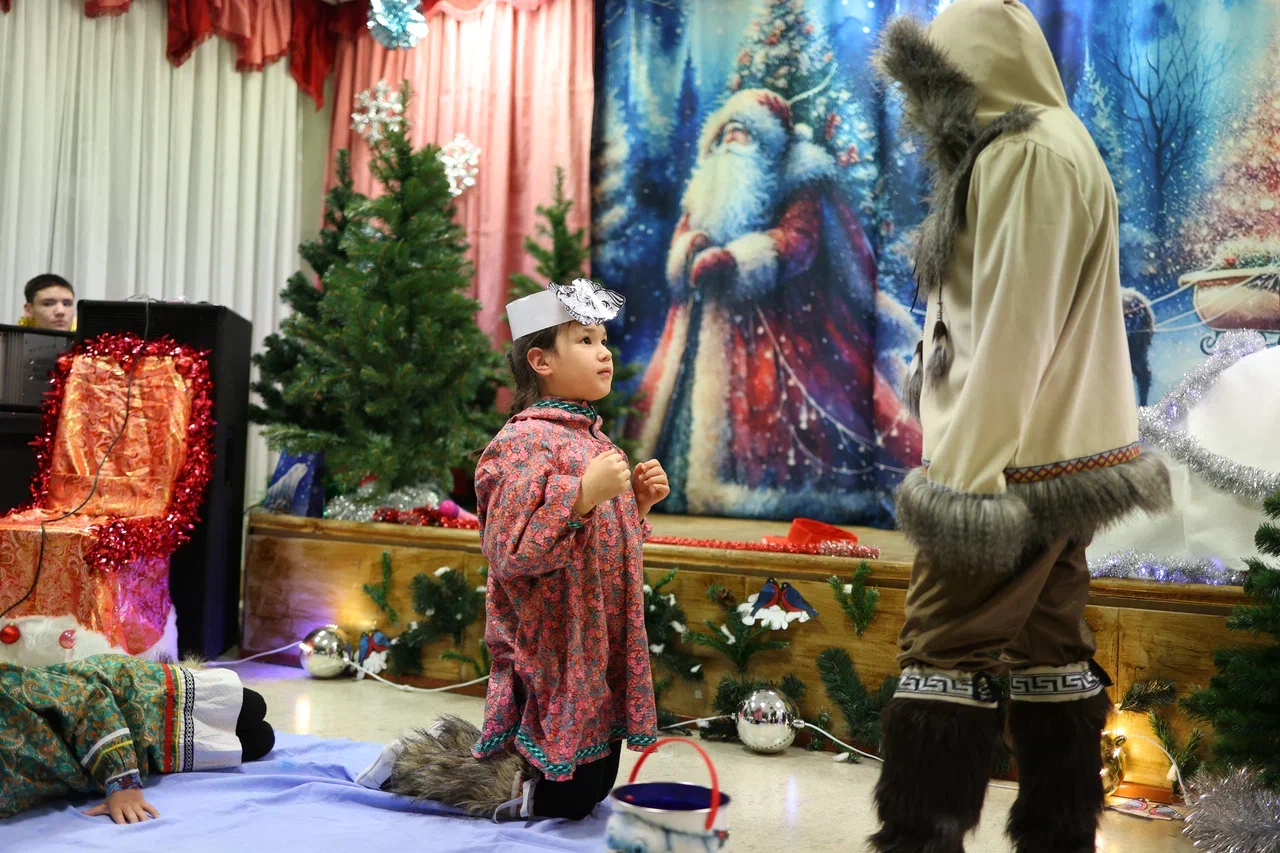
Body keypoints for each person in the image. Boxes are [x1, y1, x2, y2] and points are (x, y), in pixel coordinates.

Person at [871, 3, 1172, 852]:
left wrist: (967, 482)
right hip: (1062, 458)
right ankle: (1057, 830)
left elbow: (1013, 329)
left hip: (1010, 466)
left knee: (944, 647)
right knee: (1049, 652)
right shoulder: (1054, 144)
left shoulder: (1024, 156)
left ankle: (922, 837)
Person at [356, 279, 667, 821]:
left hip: (596, 644)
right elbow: (511, 553)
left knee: (596, 788)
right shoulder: (521, 444)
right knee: (566, 798)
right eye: (586, 340)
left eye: (603, 340)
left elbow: (604, 547)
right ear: (541, 361)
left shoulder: (597, 442)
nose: (605, 352)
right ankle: (417, 764)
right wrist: (580, 496)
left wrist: (635, 507)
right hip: (553, 650)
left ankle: (473, 762)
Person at [629, 86, 922, 524]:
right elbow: (683, 235)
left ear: (767, 142)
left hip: (777, 330)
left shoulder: (800, 181)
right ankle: (676, 489)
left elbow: (799, 241)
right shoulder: (705, 186)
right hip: (702, 328)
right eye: (727, 132)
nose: (733, 140)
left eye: (744, 132)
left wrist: (736, 261)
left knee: (766, 416)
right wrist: (691, 248)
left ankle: (756, 494)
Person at [0, 654, 274, 823]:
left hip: (132, 699)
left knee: (254, 710)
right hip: (136, 757)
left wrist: (122, 783)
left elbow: (88, 700)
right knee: (260, 742)